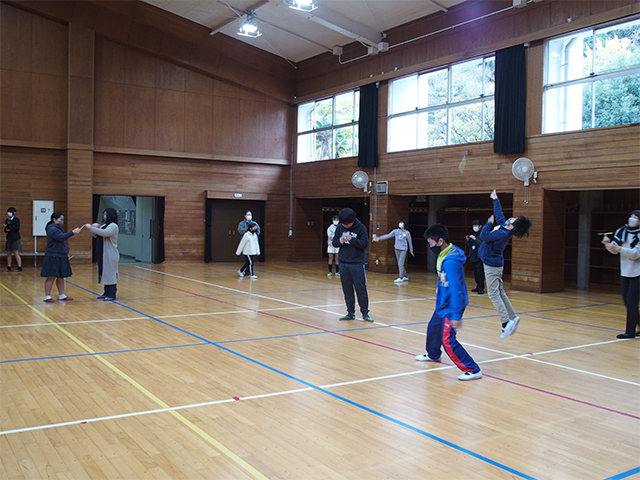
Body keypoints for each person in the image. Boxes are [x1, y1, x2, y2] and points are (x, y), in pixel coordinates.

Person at [415, 224, 482, 381]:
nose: (430, 246)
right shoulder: (444, 253)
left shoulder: (451, 261)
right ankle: (433, 354)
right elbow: (445, 278)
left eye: (431, 243)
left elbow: (457, 289)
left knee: (448, 340)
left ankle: (472, 369)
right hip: (443, 301)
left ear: (440, 242)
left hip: (452, 305)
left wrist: (456, 315)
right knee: (433, 328)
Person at [478, 189, 532, 338]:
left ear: (512, 226)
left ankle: (505, 323)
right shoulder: (503, 227)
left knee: (493, 294)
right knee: (500, 292)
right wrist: (495, 199)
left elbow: (484, 236)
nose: (511, 218)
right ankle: (513, 317)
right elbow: (500, 215)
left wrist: (488, 223)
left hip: (491, 266)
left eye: (513, 219)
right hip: (495, 264)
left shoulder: (502, 233)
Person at [602, 210, 640, 339]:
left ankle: (630, 331)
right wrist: (608, 244)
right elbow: (614, 250)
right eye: (631, 216)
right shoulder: (622, 231)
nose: (632, 218)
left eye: (635, 217)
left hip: (638, 273)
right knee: (627, 302)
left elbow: (635, 254)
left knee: (632, 302)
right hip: (625, 272)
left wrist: (617, 248)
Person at [332, 208, 373, 322]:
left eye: (347, 224)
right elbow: (334, 243)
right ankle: (350, 313)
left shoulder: (361, 228)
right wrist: (339, 241)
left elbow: (364, 244)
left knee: (361, 289)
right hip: (343, 263)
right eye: (343, 223)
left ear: (352, 221)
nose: (345, 226)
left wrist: (352, 240)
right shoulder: (340, 227)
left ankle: (365, 313)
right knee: (347, 289)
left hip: (357, 263)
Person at [40, 212, 82, 302]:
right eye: (60, 219)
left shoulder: (59, 228)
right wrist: (72, 232)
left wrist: (65, 252)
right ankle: (47, 296)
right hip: (53, 255)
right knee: (51, 276)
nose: (62, 221)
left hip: (61, 254)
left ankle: (62, 295)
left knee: (61, 276)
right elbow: (61, 237)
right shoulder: (52, 229)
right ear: (54, 219)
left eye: (63, 219)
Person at [85, 208, 120, 301]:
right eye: (103, 214)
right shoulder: (104, 225)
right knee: (104, 273)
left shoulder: (113, 226)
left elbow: (105, 233)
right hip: (103, 253)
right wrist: (93, 227)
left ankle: (112, 294)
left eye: (106, 214)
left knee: (110, 274)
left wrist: (92, 228)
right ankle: (106, 292)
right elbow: (96, 235)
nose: (104, 216)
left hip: (111, 254)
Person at [237, 210, 260, 276]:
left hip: (252, 246)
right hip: (247, 246)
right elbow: (240, 231)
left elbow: (258, 231)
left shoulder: (254, 224)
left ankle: (244, 270)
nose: (249, 216)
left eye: (250, 214)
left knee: (249, 261)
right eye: (248, 215)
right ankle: (250, 273)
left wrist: (258, 251)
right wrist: (238, 252)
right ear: (245, 216)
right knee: (250, 261)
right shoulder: (243, 226)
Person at [466, 219, 484, 294]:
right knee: (475, 273)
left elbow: (481, 244)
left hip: (479, 257)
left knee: (480, 273)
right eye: (474, 225)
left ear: (480, 226)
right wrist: (468, 240)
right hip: (473, 256)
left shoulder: (482, 234)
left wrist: (475, 239)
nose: (475, 227)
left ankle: (481, 288)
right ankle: (477, 286)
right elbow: (470, 246)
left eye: (476, 225)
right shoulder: (473, 234)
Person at [4, 207, 22, 272]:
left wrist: (9, 227)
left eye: (11, 212)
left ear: (14, 213)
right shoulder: (7, 220)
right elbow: (5, 229)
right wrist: (7, 229)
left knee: (16, 252)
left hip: (15, 238)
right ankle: (9, 267)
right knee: (8, 253)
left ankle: (19, 267)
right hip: (9, 238)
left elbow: (16, 228)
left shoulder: (16, 220)